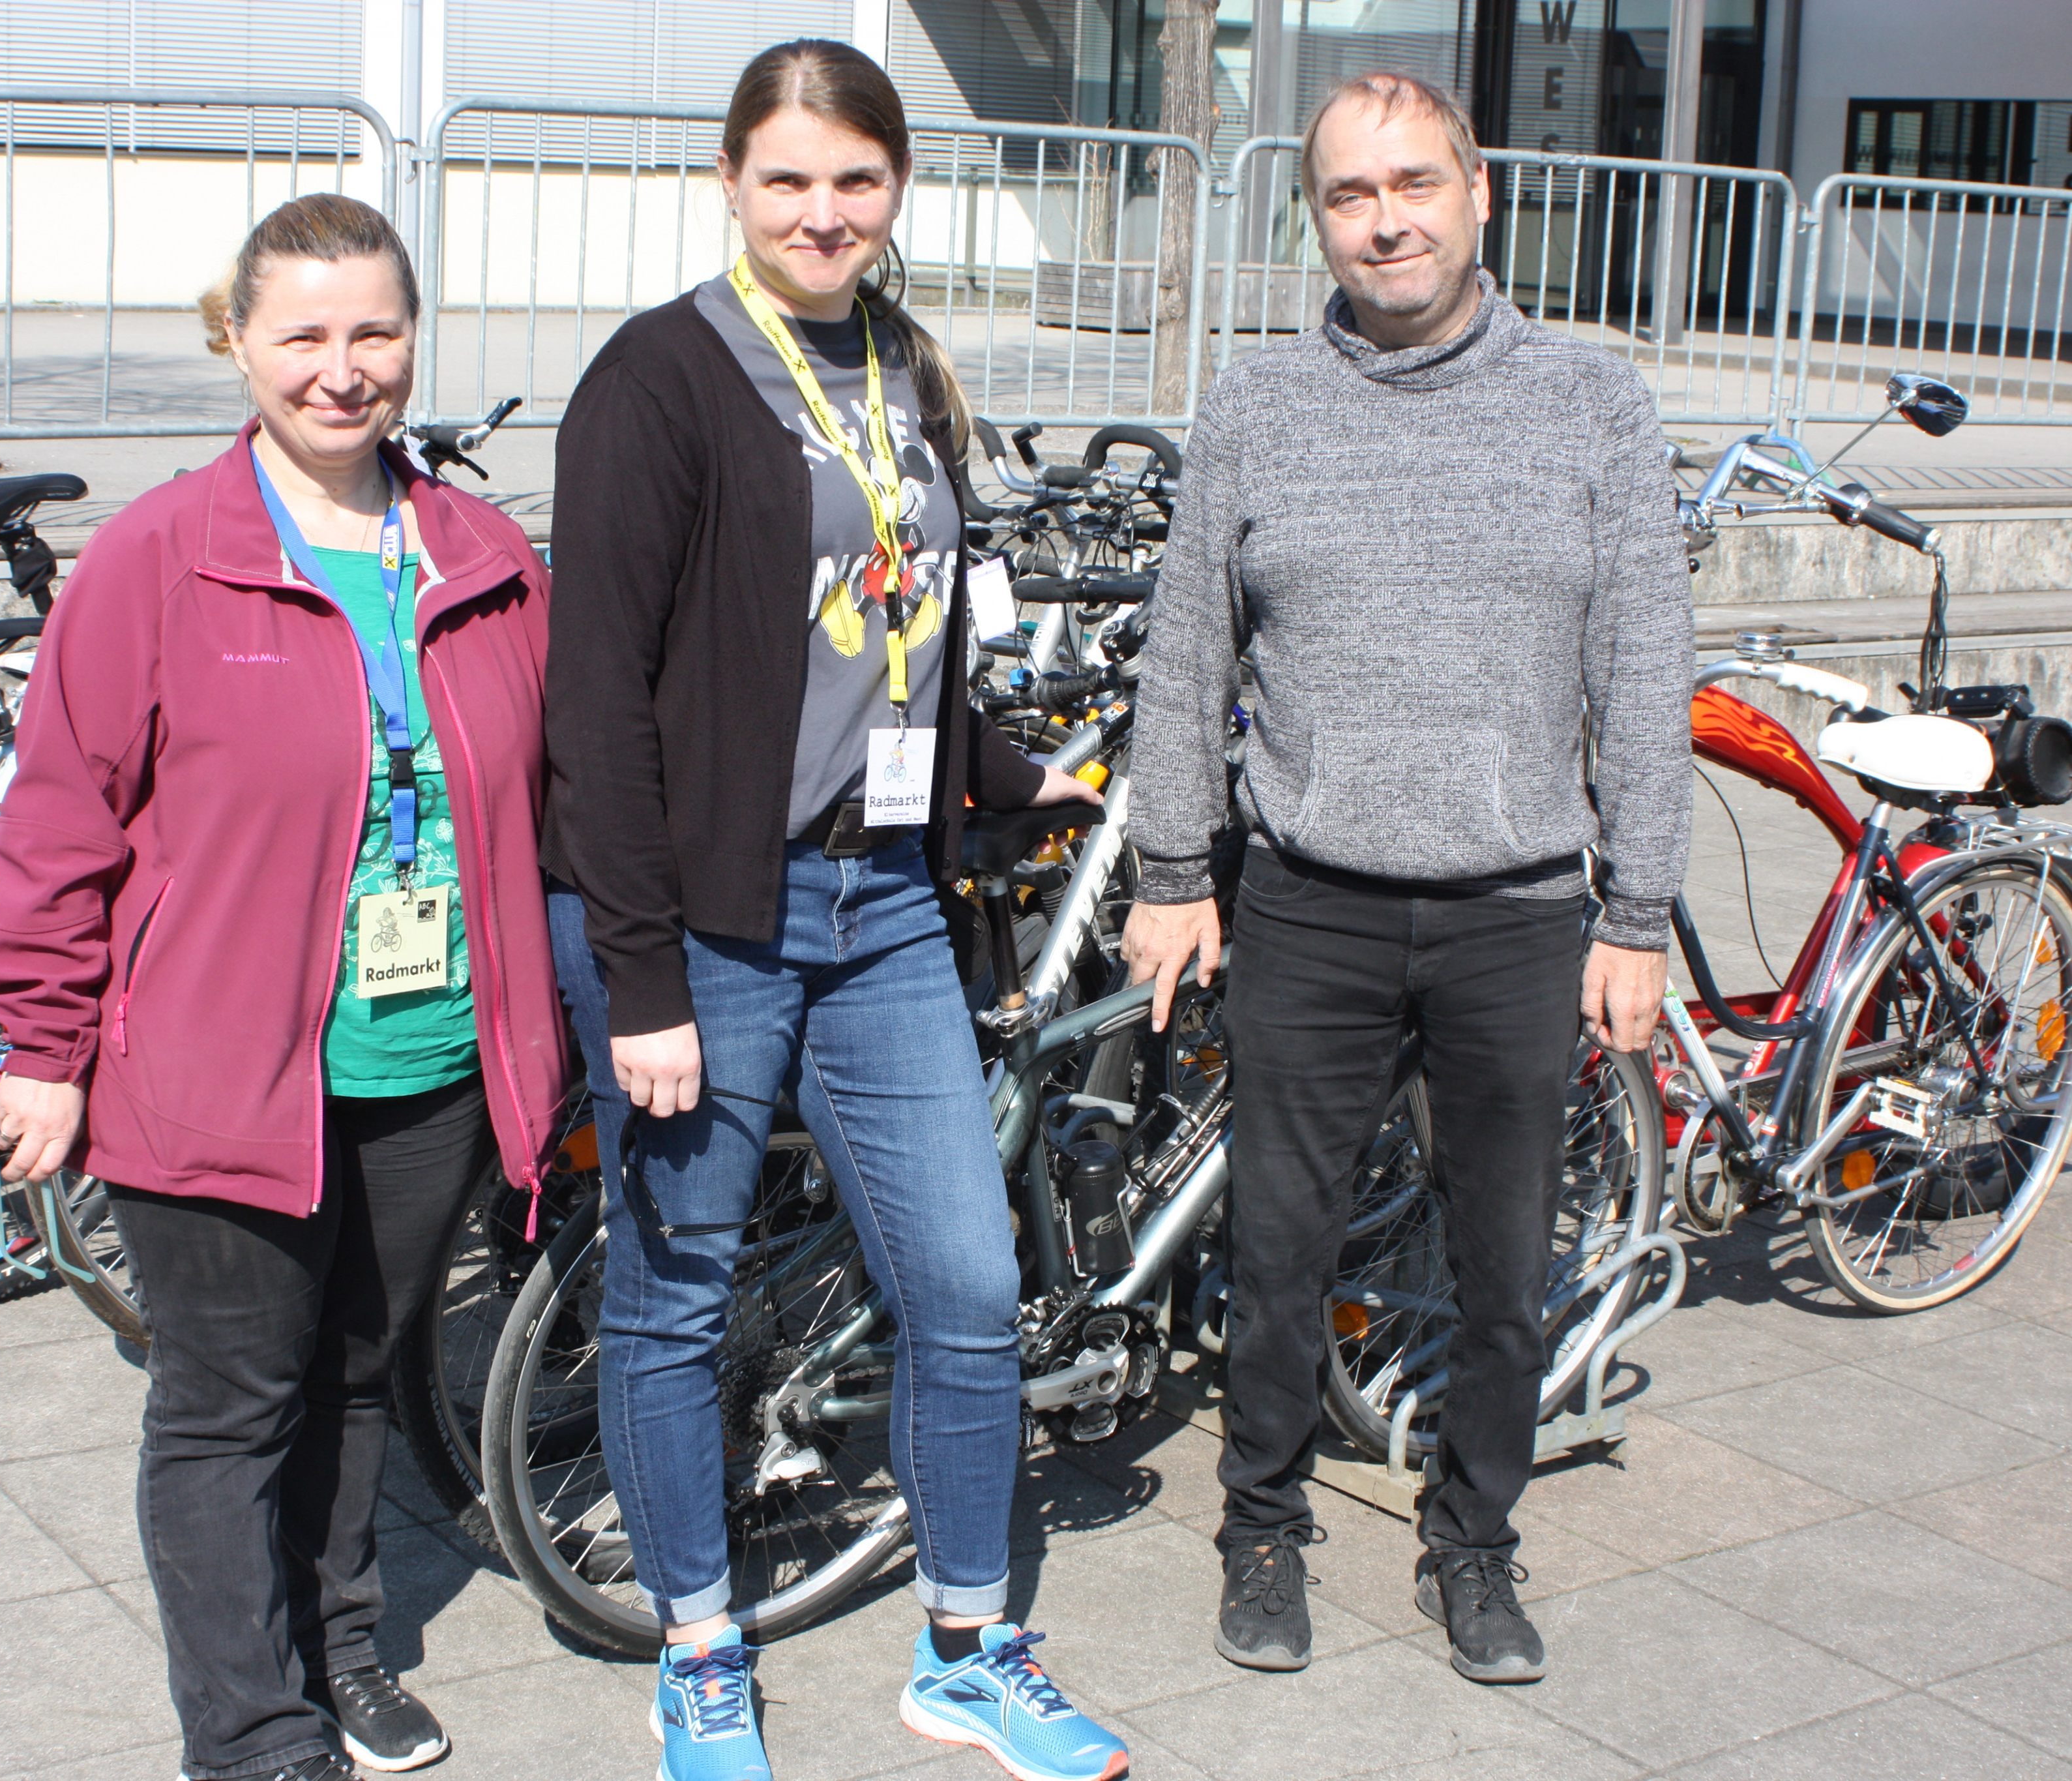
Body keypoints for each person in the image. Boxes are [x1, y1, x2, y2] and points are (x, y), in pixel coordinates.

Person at [543, 37, 1129, 1781]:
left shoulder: (909, 366)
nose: (822, 212)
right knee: (672, 1295)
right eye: (789, 179)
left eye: (855, 181)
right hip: (707, 920)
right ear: (734, 180)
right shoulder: (658, 380)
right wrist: (639, 976)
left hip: (883, 906)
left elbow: (908, 636)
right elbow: (599, 706)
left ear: (896, 189)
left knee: (962, 1281)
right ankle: (700, 1653)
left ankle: (965, 1648)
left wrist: (1014, 778)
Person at [0, 194, 568, 1781]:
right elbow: (58, 822)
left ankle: (342, 1643)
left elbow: (556, 795)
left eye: (373, 329)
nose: (341, 368)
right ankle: (253, 1736)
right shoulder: (160, 559)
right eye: (302, 333)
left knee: (365, 1375)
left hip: (427, 1057)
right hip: (220, 1066)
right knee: (231, 1405)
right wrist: (41, 1043)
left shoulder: (481, 551)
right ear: (235, 338)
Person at [1124, 72, 1691, 1686]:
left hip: (1521, 912)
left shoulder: (1594, 401)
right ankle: (1261, 1529)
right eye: (1350, 194)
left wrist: (1638, 909)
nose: (1387, 218)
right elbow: (1188, 652)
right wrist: (1176, 865)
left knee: (1507, 1265)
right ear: (1316, 217)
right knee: (1281, 1251)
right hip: (1312, 898)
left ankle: (1475, 1546)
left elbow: (1645, 667)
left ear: (1479, 191)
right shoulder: (1258, 404)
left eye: (1416, 183)